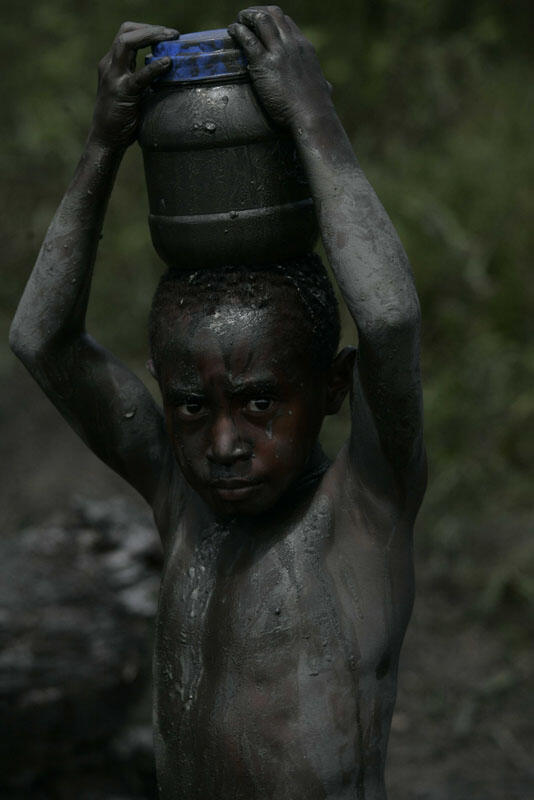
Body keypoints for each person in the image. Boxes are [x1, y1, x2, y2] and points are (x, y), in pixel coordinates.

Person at [10, 6, 427, 799]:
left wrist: (312, 114)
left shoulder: (365, 511)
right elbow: (41, 342)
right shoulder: (182, 501)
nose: (224, 442)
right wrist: (103, 146)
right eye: (192, 407)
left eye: (260, 403)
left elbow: (390, 318)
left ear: (334, 388)